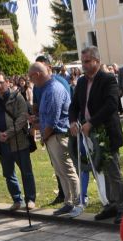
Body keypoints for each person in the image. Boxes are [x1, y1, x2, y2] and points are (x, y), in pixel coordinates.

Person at [69, 46, 123, 224]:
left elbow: (111, 105)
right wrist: (73, 121)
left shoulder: (107, 79)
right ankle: (111, 204)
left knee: (113, 171)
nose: (84, 65)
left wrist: (92, 122)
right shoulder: (80, 82)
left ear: (97, 60)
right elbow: (74, 106)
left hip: (107, 133)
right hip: (89, 136)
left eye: (87, 61)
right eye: (83, 62)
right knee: (100, 171)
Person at [30, 61, 82, 217]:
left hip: (58, 136)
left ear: (37, 75)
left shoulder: (53, 89)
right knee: (60, 171)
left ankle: (77, 202)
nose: (30, 81)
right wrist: (37, 121)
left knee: (68, 170)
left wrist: (43, 137)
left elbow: (52, 121)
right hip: (52, 136)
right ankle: (68, 201)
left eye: (31, 77)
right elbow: (47, 117)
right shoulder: (45, 89)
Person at [0, 70, 37, 211]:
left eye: (1, 82)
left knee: (26, 172)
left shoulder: (17, 98)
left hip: (19, 142)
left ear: (7, 83)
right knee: (9, 174)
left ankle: (30, 199)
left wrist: (8, 133)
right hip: (2, 144)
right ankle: (16, 199)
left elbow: (22, 117)